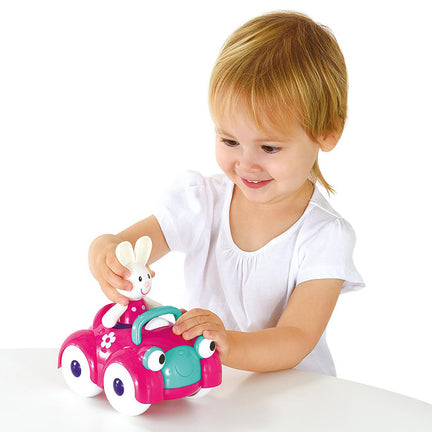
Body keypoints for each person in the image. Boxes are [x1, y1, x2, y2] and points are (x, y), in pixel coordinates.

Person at [88, 11, 364, 376]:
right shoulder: (203, 202)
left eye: (269, 148)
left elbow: (297, 337)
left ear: (327, 132)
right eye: (230, 141)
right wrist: (105, 257)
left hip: (295, 395)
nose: (246, 164)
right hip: (211, 386)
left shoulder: (324, 236)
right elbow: (123, 245)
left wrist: (229, 343)